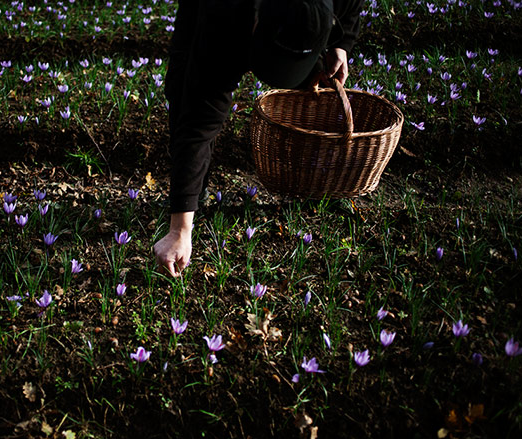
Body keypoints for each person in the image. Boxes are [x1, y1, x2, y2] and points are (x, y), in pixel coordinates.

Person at [154, 0, 365, 277]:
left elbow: (351, 4)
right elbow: (198, 121)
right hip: (221, 14)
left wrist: (340, 42)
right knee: (184, 89)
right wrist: (179, 229)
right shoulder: (225, 16)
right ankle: (195, 192)